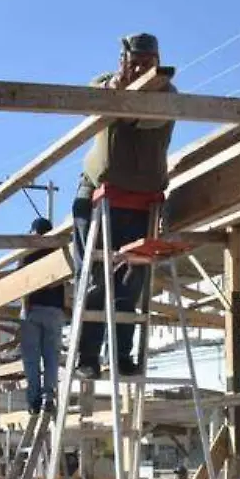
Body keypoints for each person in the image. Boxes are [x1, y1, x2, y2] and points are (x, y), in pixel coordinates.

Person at [72, 33, 175, 378]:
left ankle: (121, 356)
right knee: (97, 281)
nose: (143, 69)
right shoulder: (105, 84)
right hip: (99, 195)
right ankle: (87, 357)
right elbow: (93, 97)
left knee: (130, 284)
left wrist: (130, 96)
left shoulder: (167, 95)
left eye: (149, 63)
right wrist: (116, 87)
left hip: (141, 201)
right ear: (123, 62)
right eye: (136, 63)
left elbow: (139, 118)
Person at [20, 216, 67, 416]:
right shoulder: (58, 252)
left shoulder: (28, 251)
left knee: (31, 359)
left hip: (34, 309)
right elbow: (64, 280)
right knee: (51, 358)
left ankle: (34, 401)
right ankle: (49, 397)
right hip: (55, 311)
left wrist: (25, 308)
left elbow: (21, 283)